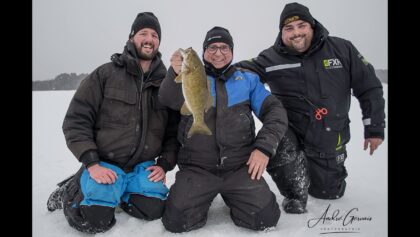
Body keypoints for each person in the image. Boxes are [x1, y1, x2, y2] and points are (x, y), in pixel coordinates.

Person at [46, 12, 180, 234]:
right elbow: (76, 120)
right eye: (143, 33)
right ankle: (73, 190)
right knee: (94, 219)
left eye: (154, 35)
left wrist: (164, 164)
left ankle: (119, 191)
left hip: (141, 167)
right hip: (104, 163)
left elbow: (173, 131)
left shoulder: (166, 83)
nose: (149, 39)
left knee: (152, 209)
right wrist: (92, 163)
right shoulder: (105, 74)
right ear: (131, 38)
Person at [237, 2, 386, 200]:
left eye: (301, 26)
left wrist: (374, 128)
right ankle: (294, 192)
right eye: (289, 28)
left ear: (312, 26)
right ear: (282, 32)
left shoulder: (342, 49)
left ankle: (321, 174)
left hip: (328, 137)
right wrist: (195, 72)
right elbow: (237, 73)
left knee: (327, 193)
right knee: (280, 147)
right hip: (290, 136)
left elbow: (369, 87)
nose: (296, 33)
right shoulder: (271, 58)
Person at [158, 26, 288, 232]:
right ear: (203, 52)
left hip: (239, 168)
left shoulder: (247, 80)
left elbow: (275, 112)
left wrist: (264, 148)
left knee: (266, 218)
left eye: (224, 47)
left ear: (232, 51)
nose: (218, 53)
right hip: (197, 168)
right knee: (176, 221)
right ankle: (201, 198)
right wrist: (173, 73)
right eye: (212, 47)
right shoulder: (189, 75)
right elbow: (167, 99)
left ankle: (235, 196)